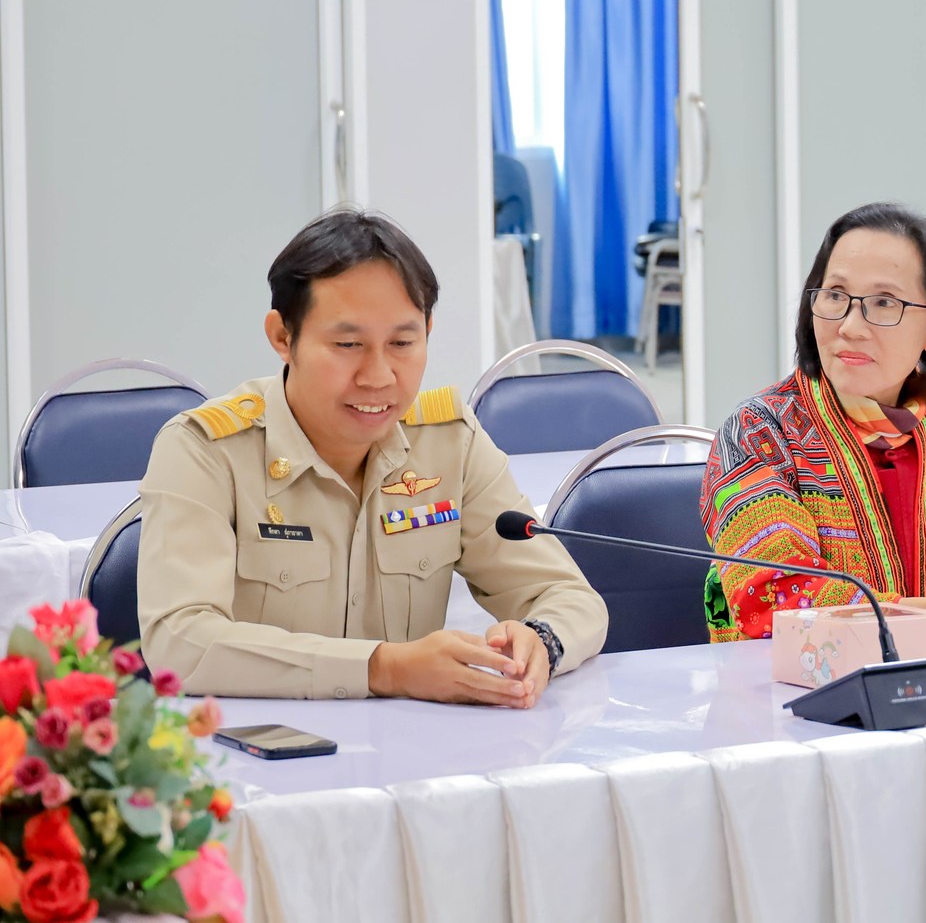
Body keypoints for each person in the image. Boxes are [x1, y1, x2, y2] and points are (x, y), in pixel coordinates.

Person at [139, 211, 607, 702]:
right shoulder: (204, 451)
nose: (378, 376)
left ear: (428, 330)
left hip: (413, 744)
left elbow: (569, 597)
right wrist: (383, 669)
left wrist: (541, 641)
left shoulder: (450, 442)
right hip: (260, 742)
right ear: (283, 337)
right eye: (348, 344)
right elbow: (180, 643)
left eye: (402, 343)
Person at [699, 202, 926, 641]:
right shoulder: (759, 432)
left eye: (884, 302)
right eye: (835, 295)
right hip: (794, 683)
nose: (850, 326)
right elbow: (775, 601)